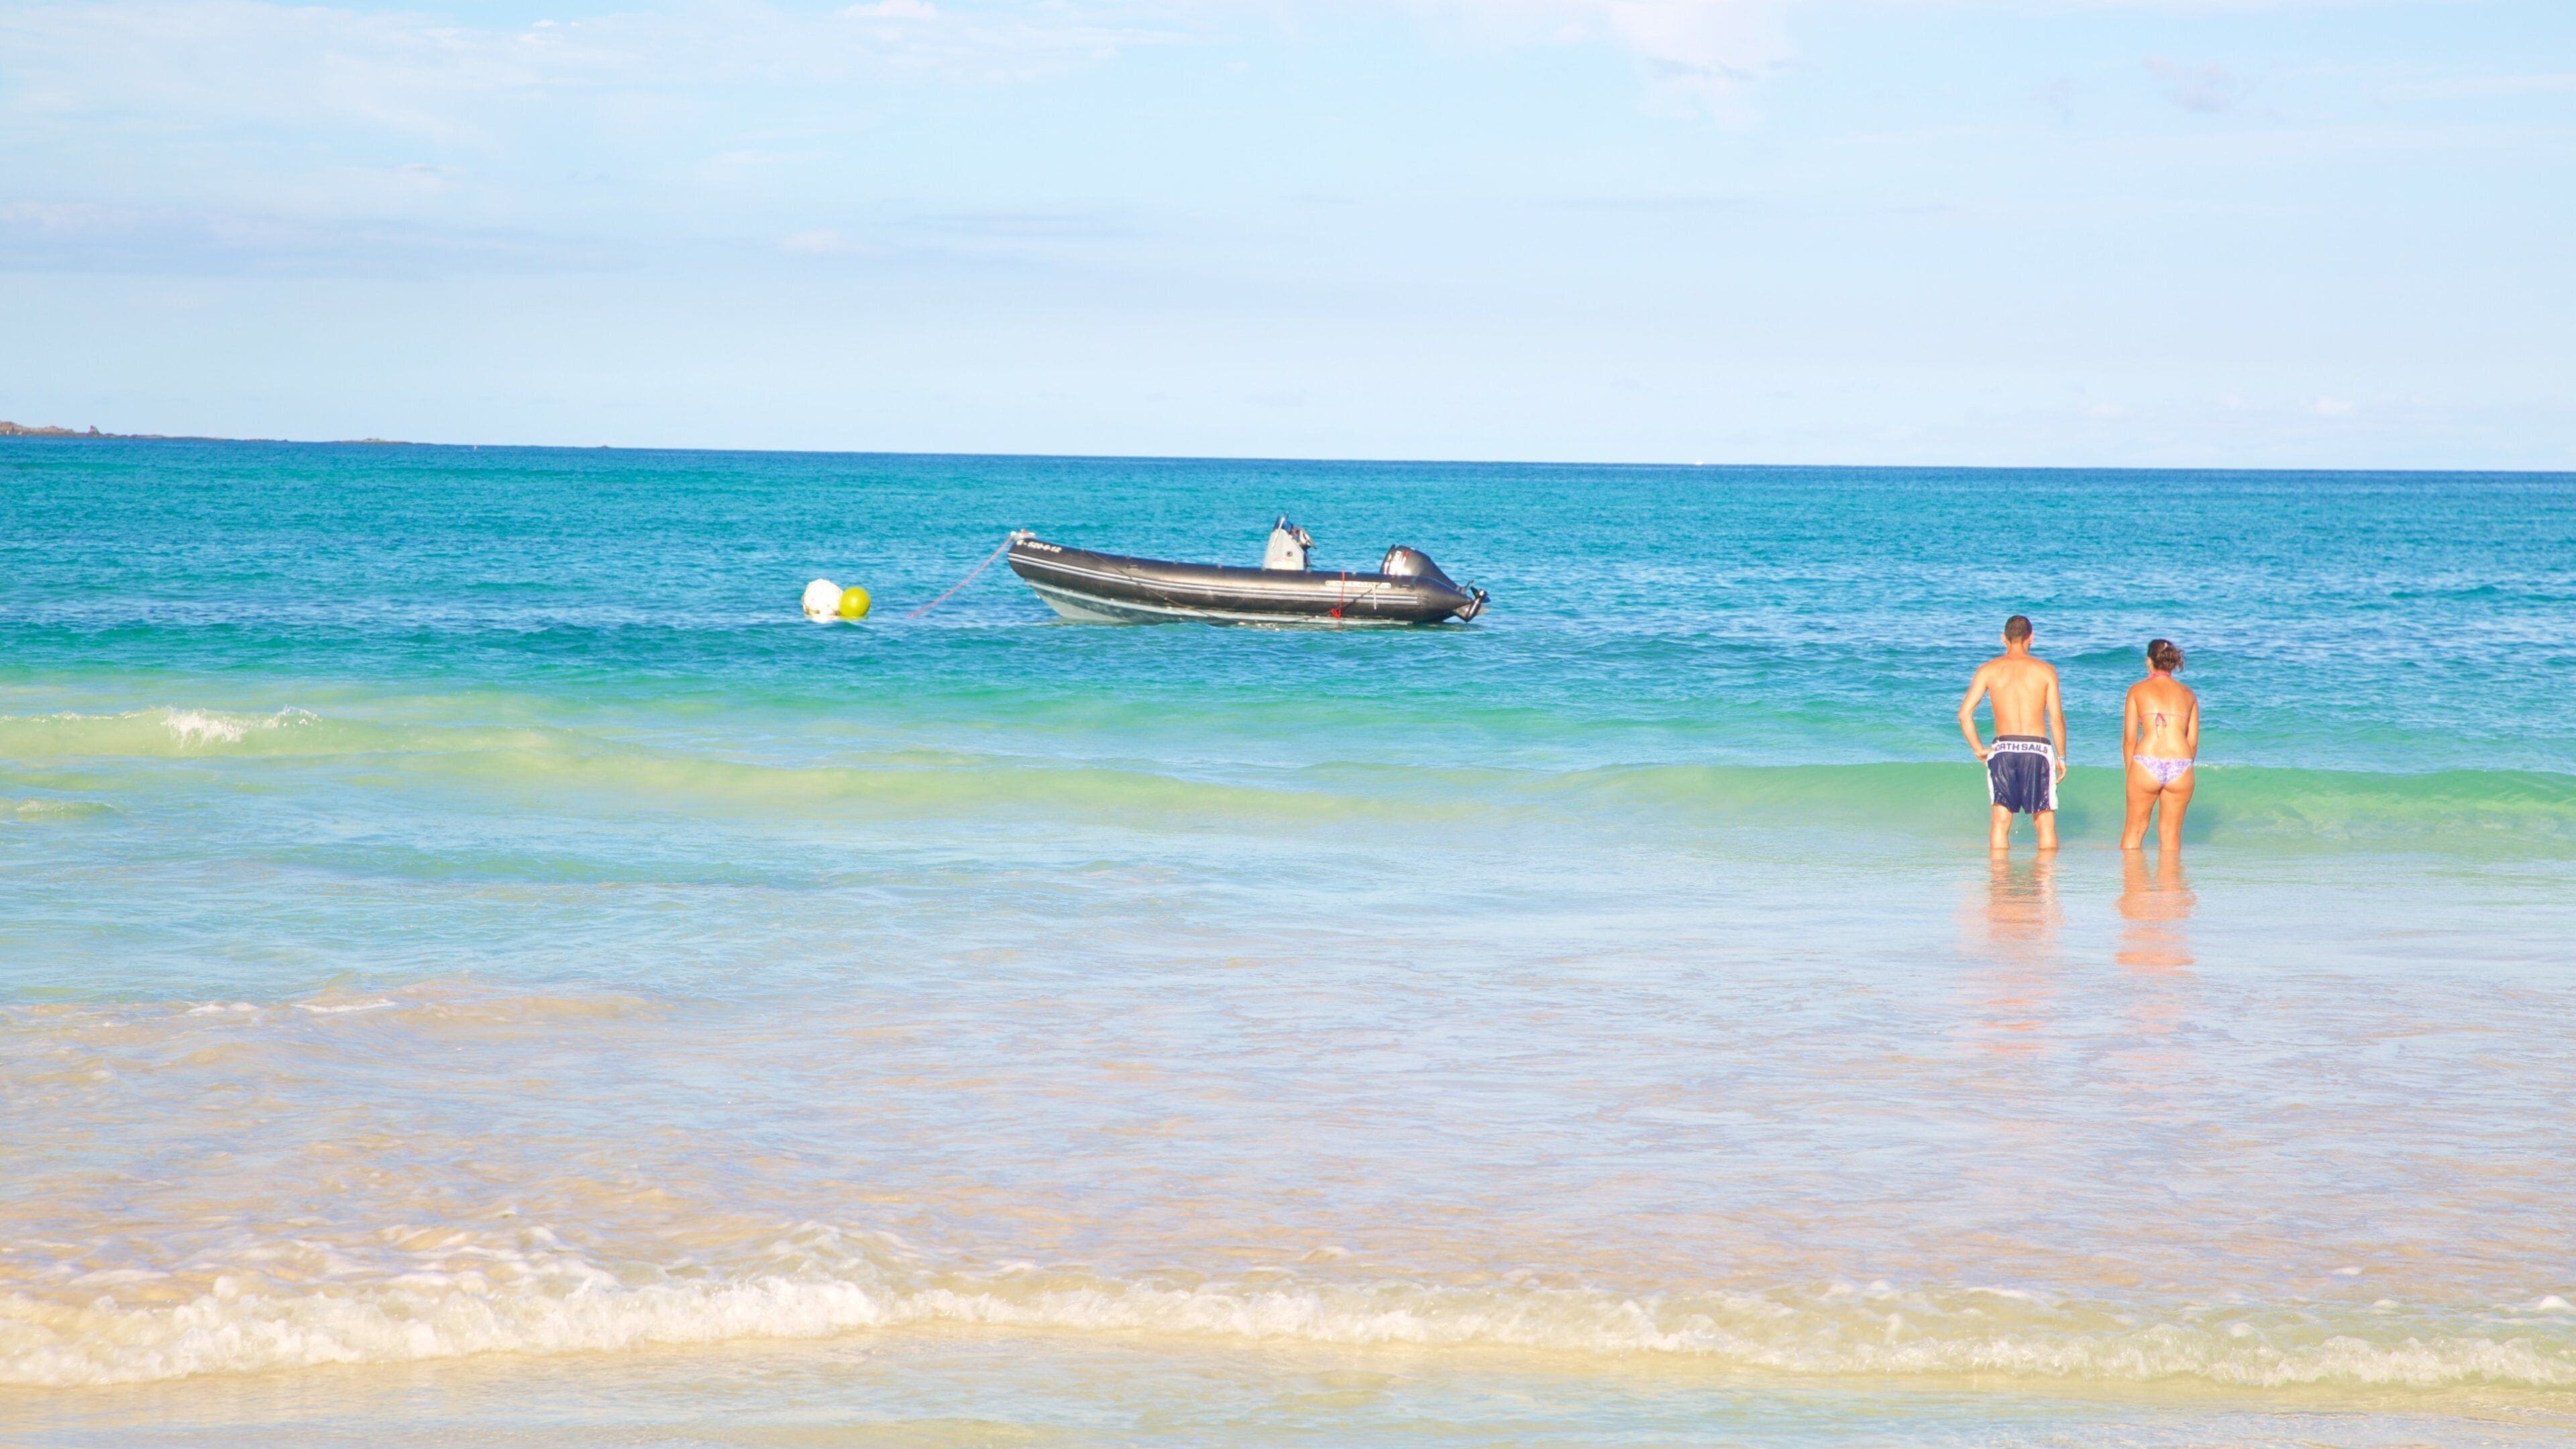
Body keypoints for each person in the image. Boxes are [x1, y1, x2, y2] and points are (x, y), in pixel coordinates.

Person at [1957, 614, 2066, 851]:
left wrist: (1978, 749)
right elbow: (2056, 718)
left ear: (2003, 639)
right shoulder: (2046, 671)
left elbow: (1964, 714)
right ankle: (2045, 884)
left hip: (2003, 749)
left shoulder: (1988, 670)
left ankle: (2000, 883)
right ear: (2031, 638)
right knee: (2044, 822)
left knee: (2001, 820)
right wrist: (2061, 756)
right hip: (2037, 748)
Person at [2121, 638, 2198, 851]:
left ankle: (2134, 883)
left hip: (2147, 762)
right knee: (2171, 836)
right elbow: (2192, 742)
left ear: (2149, 662)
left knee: (2134, 832)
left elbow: (2129, 740)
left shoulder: (2137, 690)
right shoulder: (2188, 694)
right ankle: (2171, 884)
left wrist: (2131, 773)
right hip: (2181, 765)